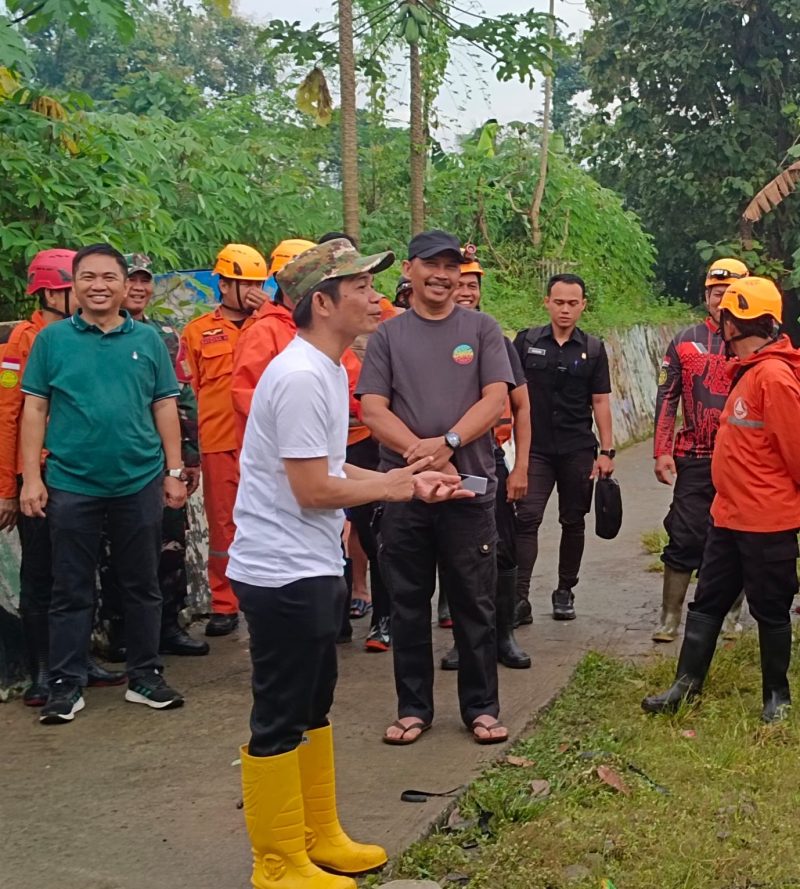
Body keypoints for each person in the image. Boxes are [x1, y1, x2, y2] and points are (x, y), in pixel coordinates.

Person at [227, 238, 470, 889]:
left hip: (310, 561)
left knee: (315, 701)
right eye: (361, 285)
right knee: (279, 711)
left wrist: (409, 472)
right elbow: (313, 489)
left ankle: (318, 834)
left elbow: (330, 473)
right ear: (323, 302)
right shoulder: (304, 376)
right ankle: (277, 861)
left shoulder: (332, 369)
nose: (376, 296)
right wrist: (399, 485)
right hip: (279, 570)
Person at [358, 229, 517, 746]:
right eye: (432, 265)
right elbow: (372, 408)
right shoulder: (387, 336)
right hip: (405, 491)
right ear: (409, 270)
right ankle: (413, 709)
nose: (443, 276)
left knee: (475, 604)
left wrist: (448, 443)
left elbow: (496, 399)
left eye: (452, 267)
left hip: (469, 491)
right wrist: (417, 455)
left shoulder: (483, 329)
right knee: (407, 604)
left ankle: (481, 708)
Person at [20, 243, 186, 724]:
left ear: (123, 284)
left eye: (108, 277)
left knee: (142, 583)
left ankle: (145, 675)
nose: (99, 286)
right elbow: (34, 408)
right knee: (70, 587)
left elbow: (163, 405)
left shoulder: (149, 340)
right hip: (72, 481)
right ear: (73, 284)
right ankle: (65, 684)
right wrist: (32, 478)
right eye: (88, 277)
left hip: (138, 479)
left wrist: (173, 471)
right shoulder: (52, 342)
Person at [642, 276, 800, 723]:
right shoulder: (749, 372)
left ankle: (777, 697)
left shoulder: (774, 377)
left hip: (767, 521)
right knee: (707, 601)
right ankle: (684, 687)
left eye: (725, 317)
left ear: (733, 324)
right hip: (727, 517)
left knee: (769, 607)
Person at [0, 248, 125, 705]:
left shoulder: (85, 336)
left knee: (78, 570)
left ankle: (75, 659)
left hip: (81, 472)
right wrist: (10, 489)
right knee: (41, 575)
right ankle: (41, 667)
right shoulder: (25, 342)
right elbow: (9, 416)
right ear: (54, 291)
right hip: (38, 475)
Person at [98, 254, 209, 657]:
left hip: (166, 460)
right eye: (133, 280)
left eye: (145, 281)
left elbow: (184, 400)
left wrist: (189, 459)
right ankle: (120, 633)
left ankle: (167, 626)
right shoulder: (89, 337)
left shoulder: (164, 336)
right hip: (120, 459)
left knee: (170, 544)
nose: (140, 288)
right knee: (117, 551)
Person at [440, 251, 531, 670]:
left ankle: (504, 635)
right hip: (439, 464)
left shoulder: (494, 339)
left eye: (473, 285)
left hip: (487, 462)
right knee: (457, 553)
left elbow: (521, 406)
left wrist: (521, 466)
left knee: (501, 547)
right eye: (460, 283)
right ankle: (465, 639)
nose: (466, 291)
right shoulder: (424, 338)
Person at [651, 258, 749, 643]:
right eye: (714, 291)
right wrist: (661, 451)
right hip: (695, 457)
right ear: (705, 294)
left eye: (728, 291)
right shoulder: (685, 341)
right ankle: (670, 616)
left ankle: (730, 615)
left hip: (744, 458)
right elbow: (666, 398)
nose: (720, 297)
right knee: (686, 534)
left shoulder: (757, 344)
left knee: (739, 535)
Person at [513, 274, 614, 623]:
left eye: (573, 303)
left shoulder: (595, 349)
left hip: (577, 449)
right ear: (547, 303)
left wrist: (607, 452)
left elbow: (600, 401)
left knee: (573, 520)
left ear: (583, 305)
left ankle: (564, 591)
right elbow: (510, 394)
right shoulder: (526, 342)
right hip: (535, 448)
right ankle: (518, 598)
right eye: (559, 302)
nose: (565, 309)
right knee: (526, 518)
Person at [180, 244, 267, 636]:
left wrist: (267, 311)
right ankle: (224, 603)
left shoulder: (271, 324)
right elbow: (190, 388)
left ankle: (267, 595)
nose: (251, 291)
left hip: (264, 441)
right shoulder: (198, 331)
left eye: (257, 284)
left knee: (271, 518)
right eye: (243, 284)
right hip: (218, 441)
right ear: (224, 284)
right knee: (222, 526)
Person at [231, 238, 316, 444]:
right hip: (281, 449)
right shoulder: (264, 332)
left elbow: (352, 382)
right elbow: (246, 396)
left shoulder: (321, 327)